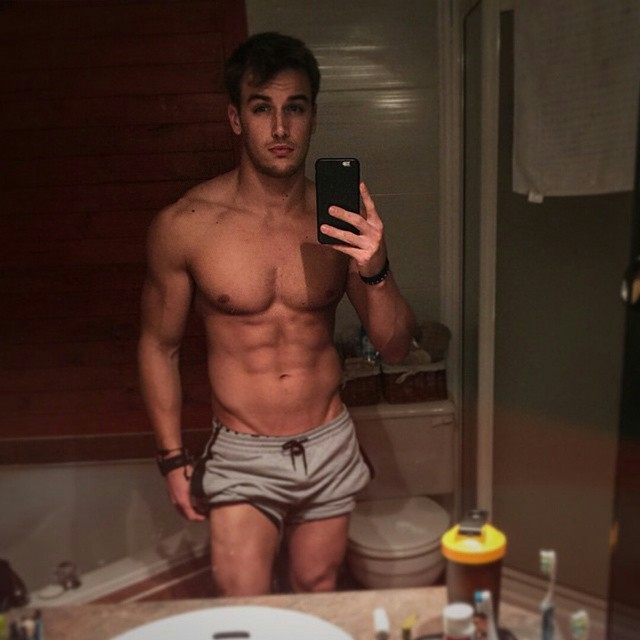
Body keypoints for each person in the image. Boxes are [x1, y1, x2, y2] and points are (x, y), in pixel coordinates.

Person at [137, 32, 417, 597]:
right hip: (242, 451)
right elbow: (158, 345)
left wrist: (376, 266)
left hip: (328, 439)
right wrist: (171, 458)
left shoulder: (340, 221)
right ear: (236, 118)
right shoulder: (185, 226)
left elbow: (395, 346)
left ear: (314, 117)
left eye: (296, 108)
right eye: (262, 108)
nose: (281, 128)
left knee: (317, 588)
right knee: (242, 600)